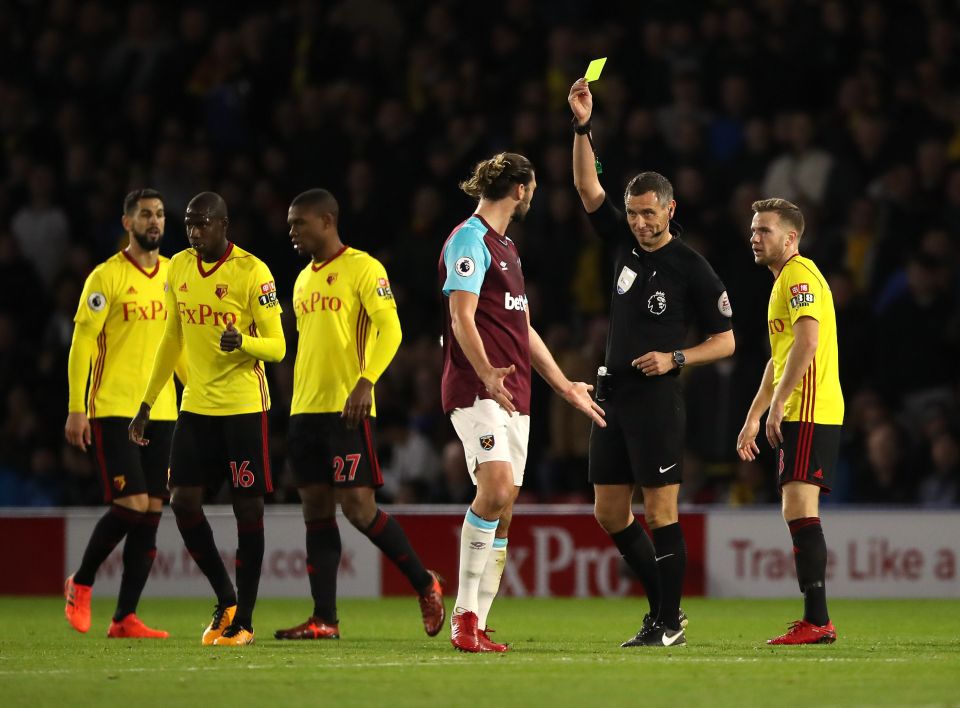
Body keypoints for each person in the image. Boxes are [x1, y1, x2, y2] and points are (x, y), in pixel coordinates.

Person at [568, 78, 736, 647]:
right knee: (609, 512)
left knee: (662, 510)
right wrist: (583, 126)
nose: (640, 222)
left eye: (649, 213)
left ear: (670, 209)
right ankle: (666, 610)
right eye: (634, 213)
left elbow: (728, 340)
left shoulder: (692, 267)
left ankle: (666, 621)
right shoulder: (621, 242)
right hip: (611, 393)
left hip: (657, 399)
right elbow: (587, 185)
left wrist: (676, 357)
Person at [440, 152, 605, 653]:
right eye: (531, 188)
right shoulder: (469, 238)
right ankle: (463, 618)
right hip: (476, 387)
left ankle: (480, 621)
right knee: (494, 489)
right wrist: (487, 371)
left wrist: (565, 387)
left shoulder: (507, 247)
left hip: (515, 395)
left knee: (505, 507)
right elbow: (461, 316)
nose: (533, 195)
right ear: (520, 189)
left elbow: (522, 329)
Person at [273, 188, 444, 641]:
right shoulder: (302, 280)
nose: (292, 232)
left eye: (299, 223)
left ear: (326, 220)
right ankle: (324, 619)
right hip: (304, 412)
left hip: (346, 409)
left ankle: (426, 584)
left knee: (358, 507)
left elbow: (391, 329)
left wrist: (367, 380)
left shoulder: (364, 268)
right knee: (314, 510)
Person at [129, 191, 286, 646]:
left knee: (248, 508)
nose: (195, 232)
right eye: (189, 224)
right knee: (181, 501)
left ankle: (246, 622)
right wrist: (146, 403)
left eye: (203, 224)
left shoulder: (252, 272)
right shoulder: (177, 267)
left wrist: (245, 343)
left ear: (224, 224)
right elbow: (170, 338)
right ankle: (227, 598)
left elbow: (277, 345)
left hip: (242, 407)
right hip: (195, 406)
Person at [63, 189, 182, 639]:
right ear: (127, 222)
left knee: (151, 513)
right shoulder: (105, 277)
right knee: (129, 505)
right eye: (146, 215)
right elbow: (82, 345)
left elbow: (178, 347)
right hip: (113, 407)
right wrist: (77, 408)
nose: (155, 221)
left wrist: (198, 395)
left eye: (160, 215)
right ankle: (82, 582)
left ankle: (124, 618)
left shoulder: (175, 274)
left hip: (162, 411)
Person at [736, 198, 843, 645]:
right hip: (800, 406)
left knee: (799, 509)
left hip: (809, 407)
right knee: (796, 509)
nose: (755, 237)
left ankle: (817, 620)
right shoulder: (782, 283)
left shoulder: (798, 275)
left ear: (791, 237)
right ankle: (815, 619)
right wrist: (753, 416)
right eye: (754, 230)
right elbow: (778, 359)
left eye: (765, 230)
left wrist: (779, 404)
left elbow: (808, 341)